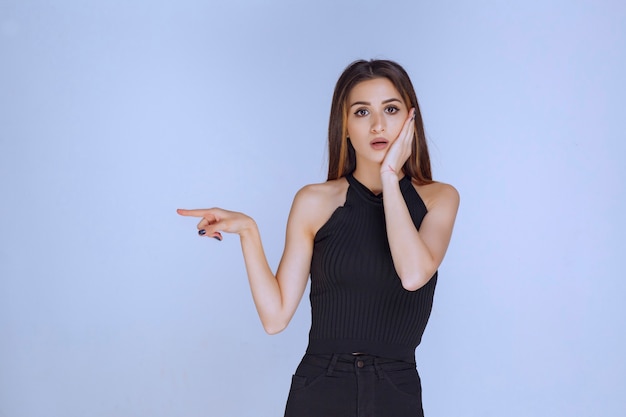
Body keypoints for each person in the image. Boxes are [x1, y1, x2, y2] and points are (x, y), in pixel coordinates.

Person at [177, 59, 459, 417]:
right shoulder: (315, 202)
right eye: (361, 112)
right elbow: (275, 318)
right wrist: (249, 232)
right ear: (344, 126)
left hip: (395, 389)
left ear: (410, 120)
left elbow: (413, 274)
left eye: (391, 109)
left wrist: (390, 177)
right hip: (321, 386)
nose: (377, 124)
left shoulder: (438, 198)